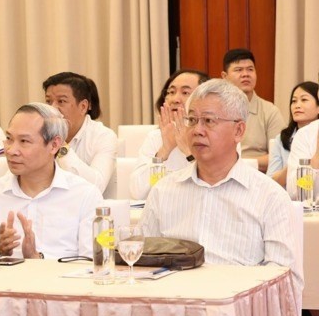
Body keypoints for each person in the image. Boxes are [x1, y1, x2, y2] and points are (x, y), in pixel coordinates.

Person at [141, 79, 300, 288]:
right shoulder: (163, 191)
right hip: (176, 302)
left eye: (208, 121)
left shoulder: (269, 196)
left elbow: (285, 279)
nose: (197, 130)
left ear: (239, 131)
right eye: (192, 120)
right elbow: (143, 264)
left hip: (239, 304)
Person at [0, 103, 102, 259]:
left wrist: (37, 260)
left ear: (54, 145)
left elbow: (92, 264)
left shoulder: (85, 195)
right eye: (9, 139)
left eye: (24, 141)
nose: (11, 150)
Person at [128, 69, 210, 199]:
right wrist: (164, 151)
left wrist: (188, 151)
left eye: (185, 92)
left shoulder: (217, 136)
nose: (175, 99)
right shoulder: (156, 137)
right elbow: (137, 192)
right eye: (171, 92)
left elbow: (213, 187)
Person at [43, 72, 118, 193]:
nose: (52, 108)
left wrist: (61, 145)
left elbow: (96, 186)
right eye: (48, 102)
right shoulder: (40, 133)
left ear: (83, 106)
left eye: (61, 101)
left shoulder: (104, 136)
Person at [220, 48, 283, 171]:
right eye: (238, 70)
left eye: (250, 69)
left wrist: (240, 164)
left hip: (257, 177)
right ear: (224, 76)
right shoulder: (215, 110)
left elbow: (279, 156)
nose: (245, 74)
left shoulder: (270, 112)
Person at [269, 82, 319, 186]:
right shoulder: (281, 138)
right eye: (294, 101)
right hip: (287, 194)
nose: (297, 105)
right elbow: (270, 181)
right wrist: (296, 163)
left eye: (304, 100)